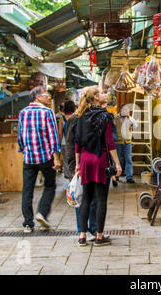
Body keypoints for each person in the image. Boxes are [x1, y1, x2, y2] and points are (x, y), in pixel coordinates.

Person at [74, 86, 121, 247]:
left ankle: (82, 236)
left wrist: (78, 164)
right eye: (100, 93)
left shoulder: (81, 116)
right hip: (100, 159)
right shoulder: (105, 116)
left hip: (86, 160)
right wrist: (117, 163)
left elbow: (77, 143)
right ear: (95, 98)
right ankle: (99, 237)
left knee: (86, 198)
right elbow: (110, 142)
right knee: (101, 199)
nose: (104, 94)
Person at [18, 86, 61, 233]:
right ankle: (42, 213)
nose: (49, 97)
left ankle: (28, 224)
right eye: (46, 95)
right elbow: (53, 136)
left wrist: (24, 150)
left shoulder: (23, 113)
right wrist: (56, 157)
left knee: (27, 190)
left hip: (29, 158)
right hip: (45, 157)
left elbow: (20, 136)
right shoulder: (47, 112)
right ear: (38, 97)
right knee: (50, 185)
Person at [64, 100, 98, 241]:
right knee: (81, 197)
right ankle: (82, 230)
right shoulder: (75, 119)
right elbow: (71, 144)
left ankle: (93, 228)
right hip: (81, 165)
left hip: (92, 164)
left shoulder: (95, 117)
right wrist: (73, 167)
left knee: (94, 199)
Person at [115, 103, 138, 183]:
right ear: (121, 110)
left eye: (127, 109)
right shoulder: (115, 118)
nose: (126, 111)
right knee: (118, 159)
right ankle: (117, 175)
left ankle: (129, 177)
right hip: (118, 142)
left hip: (127, 142)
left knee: (128, 159)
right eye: (124, 109)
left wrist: (130, 118)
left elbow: (135, 126)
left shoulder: (130, 119)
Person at [59, 100, 75, 178]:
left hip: (65, 143)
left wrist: (58, 144)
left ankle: (70, 180)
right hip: (75, 142)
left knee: (66, 161)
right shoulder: (77, 116)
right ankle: (76, 177)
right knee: (76, 161)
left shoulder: (62, 118)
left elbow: (60, 132)